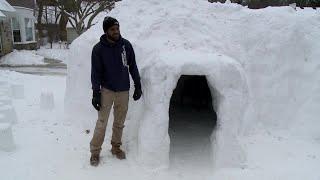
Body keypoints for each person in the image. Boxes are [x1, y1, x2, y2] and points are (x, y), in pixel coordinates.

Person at [90, 16, 142, 166]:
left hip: (123, 90)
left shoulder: (126, 46)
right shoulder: (98, 49)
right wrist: (96, 93)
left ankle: (115, 147)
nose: (116, 31)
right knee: (102, 122)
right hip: (107, 90)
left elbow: (133, 66)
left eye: (117, 28)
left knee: (119, 122)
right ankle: (95, 152)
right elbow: (96, 73)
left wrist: (137, 85)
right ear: (106, 31)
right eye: (112, 29)